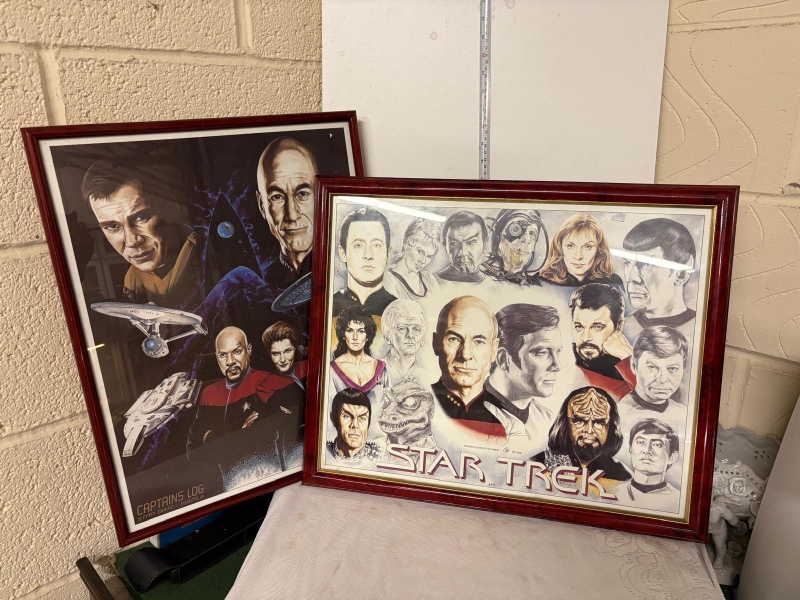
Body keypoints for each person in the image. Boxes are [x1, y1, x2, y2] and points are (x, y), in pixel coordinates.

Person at [81, 160, 202, 309]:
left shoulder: (203, 251)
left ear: (170, 206)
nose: (132, 241)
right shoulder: (133, 279)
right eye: (112, 226)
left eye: (140, 218)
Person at [186, 327, 302, 480]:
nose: (230, 361)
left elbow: (295, 428)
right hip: (230, 484)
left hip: (268, 476)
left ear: (249, 349)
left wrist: (210, 437)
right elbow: (193, 452)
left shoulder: (270, 382)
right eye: (223, 355)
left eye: (237, 352)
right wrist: (240, 436)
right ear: (217, 356)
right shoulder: (209, 394)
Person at [485, 304, 561, 454]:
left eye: (557, 352)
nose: (557, 365)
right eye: (543, 352)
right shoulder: (469, 416)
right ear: (503, 359)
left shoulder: (547, 420)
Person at [431, 296, 504, 436]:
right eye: (454, 339)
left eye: (479, 341)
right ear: (436, 343)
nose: (465, 354)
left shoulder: (506, 419)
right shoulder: (414, 405)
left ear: (494, 350)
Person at [256, 137, 319, 295]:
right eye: (277, 197)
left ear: (321, 194)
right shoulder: (257, 289)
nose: (292, 214)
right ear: (262, 206)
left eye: (302, 194)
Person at [532, 386, 631, 482]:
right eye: (579, 421)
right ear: (565, 424)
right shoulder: (539, 464)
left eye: (598, 422)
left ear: (611, 427)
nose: (589, 430)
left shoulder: (621, 474)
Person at [621, 218, 697, 338]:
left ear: (681, 273)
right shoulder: (618, 330)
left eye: (647, 264)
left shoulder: (702, 331)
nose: (630, 277)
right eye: (627, 263)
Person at [618, 326, 689, 436]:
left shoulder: (684, 414)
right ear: (634, 366)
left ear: (683, 369)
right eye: (652, 367)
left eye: (672, 369)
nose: (662, 379)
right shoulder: (618, 416)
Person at [570, 283, 635, 400]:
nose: (585, 338)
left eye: (597, 327)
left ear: (619, 326)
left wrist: (628, 356)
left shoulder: (629, 367)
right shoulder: (561, 360)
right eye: (579, 327)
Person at [331, 206, 397, 318]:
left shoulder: (401, 312)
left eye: (377, 245)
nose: (368, 255)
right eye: (358, 245)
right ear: (343, 253)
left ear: (388, 253)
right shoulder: (328, 307)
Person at [261, 321, 309, 464]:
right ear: (269, 354)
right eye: (276, 354)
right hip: (294, 448)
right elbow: (282, 419)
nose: (282, 359)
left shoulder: (308, 366)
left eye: (287, 351)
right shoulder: (266, 385)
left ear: (296, 348)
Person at [537, 214, 621, 287]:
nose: (578, 256)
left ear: (599, 250)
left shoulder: (613, 282)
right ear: (560, 248)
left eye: (587, 247)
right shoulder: (541, 281)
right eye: (570, 246)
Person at [330, 305, 390, 403]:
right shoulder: (332, 369)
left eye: (361, 331)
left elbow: (390, 405)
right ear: (343, 335)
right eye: (349, 331)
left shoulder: (382, 368)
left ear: (367, 336)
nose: (355, 337)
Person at [623, 419, 681, 510]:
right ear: (630, 449)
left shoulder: (678, 501)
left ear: (672, 457)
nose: (646, 450)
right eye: (640, 442)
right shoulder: (614, 491)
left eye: (657, 445)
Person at [481, 209, 545, 285]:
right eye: (515, 229)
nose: (526, 239)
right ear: (498, 238)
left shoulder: (536, 285)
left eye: (532, 234)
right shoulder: (479, 279)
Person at [383, 217, 441, 299]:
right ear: (406, 244)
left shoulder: (429, 279)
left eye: (429, 256)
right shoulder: (389, 280)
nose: (423, 261)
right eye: (420, 251)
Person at [436, 211, 494, 287]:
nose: (463, 252)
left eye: (471, 242)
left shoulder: (494, 287)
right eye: (454, 244)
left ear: (484, 245)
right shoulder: (431, 283)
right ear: (445, 245)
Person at [327, 388, 381, 463]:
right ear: (333, 419)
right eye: (347, 416)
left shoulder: (379, 459)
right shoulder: (321, 454)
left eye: (362, 418)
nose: (355, 425)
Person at [381, 299, 428, 384]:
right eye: (402, 328)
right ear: (388, 337)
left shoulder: (430, 378)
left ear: (422, 339)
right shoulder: (372, 371)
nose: (410, 335)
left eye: (416, 329)